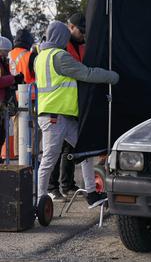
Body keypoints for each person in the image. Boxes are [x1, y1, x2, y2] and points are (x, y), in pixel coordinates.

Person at [35, 21, 119, 208]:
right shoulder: (59, 57)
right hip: (55, 116)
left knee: (86, 150)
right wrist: (112, 77)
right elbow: (86, 73)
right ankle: (40, 200)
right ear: (61, 37)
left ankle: (91, 194)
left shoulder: (41, 57)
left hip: (58, 116)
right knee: (49, 158)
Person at [45, 13, 87, 200]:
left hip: (73, 105)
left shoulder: (81, 46)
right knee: (55, 149)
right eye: (81, 31)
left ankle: (68, 184)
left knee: (72, 148)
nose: (83, 35)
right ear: (71, 27)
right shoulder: (60, 49)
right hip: (57, 106)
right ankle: (51, 188)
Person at [7, 29, 36, 166]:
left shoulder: (8, 55)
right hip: (29, 97)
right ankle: (31, 158)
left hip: (12, 98)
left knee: (18, 132)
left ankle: (21, 160)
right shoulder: (29, 56)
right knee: (32, 130)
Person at [0, 36, 22, 164]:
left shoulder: (4, 63)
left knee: (2, 133)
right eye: (4, 51)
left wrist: (14, 80)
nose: (6, 54)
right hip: (1, 103)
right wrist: (13, 79)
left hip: (3, 103)